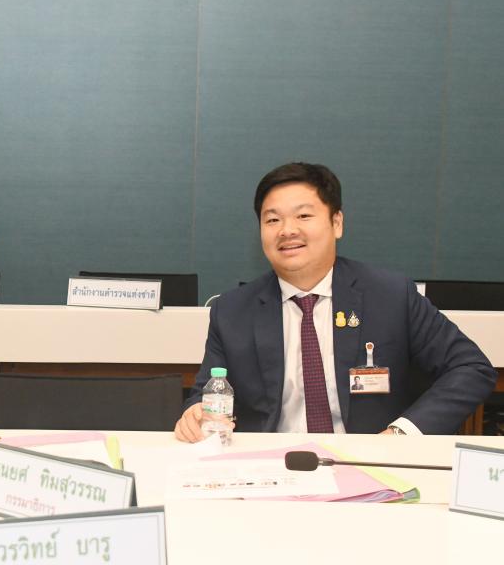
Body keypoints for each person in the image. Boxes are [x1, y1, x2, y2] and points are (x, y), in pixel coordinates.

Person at [175, 162, 495, 441]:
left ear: (336, 223)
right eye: (272, 220)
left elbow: (471, 368)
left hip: (371, 464)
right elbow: (205, 394)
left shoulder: (391, 295)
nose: (287, 230)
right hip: (271, 467)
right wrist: (195, 414)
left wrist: (401, 434)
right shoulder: (232, 311)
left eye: (303, 215)